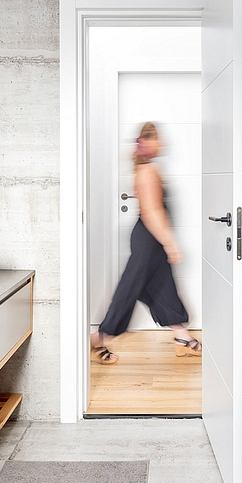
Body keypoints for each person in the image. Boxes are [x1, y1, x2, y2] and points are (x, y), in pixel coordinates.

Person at [90, 122, 202, 364]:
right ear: (145, 142)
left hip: (151, 238)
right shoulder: (147, 172)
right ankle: (100, 338)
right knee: (130, 287)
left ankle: (182, 337)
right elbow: (152, 212)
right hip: (149, 239)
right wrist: (170, 244)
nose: (161, 142)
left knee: (162, 284)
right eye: (156, 138)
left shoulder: (148, 169)